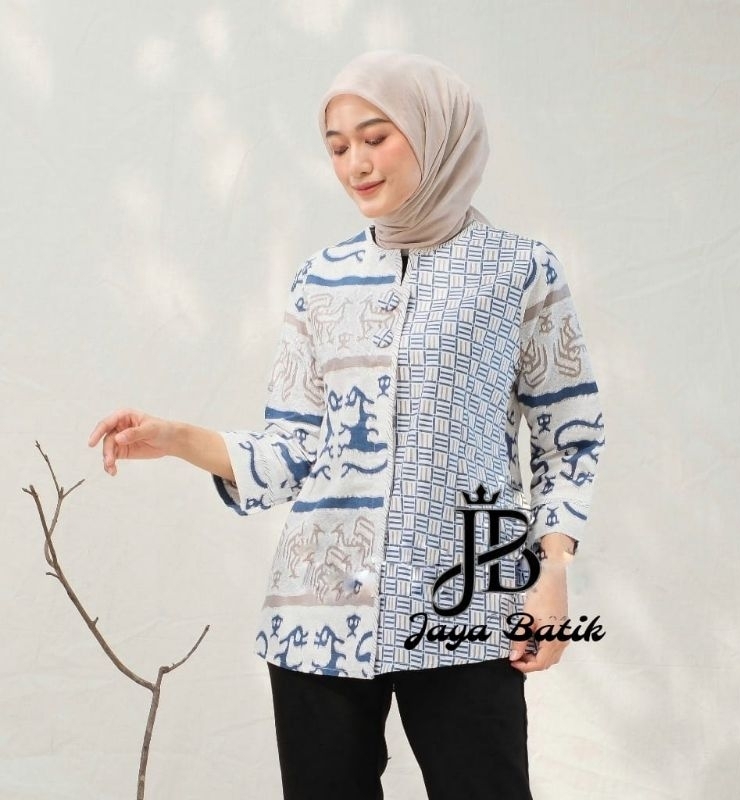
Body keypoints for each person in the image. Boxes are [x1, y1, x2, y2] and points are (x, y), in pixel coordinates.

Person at [88, 50, 606, 800]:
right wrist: (175, 440)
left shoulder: (519, 270)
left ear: (435, 134)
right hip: (317, 615)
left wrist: (552, 574)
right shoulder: (321, 279)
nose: (355, 164)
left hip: (466, 607)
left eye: (375, 138)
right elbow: (294, 448)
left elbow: (570, 437)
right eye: (336, 147)